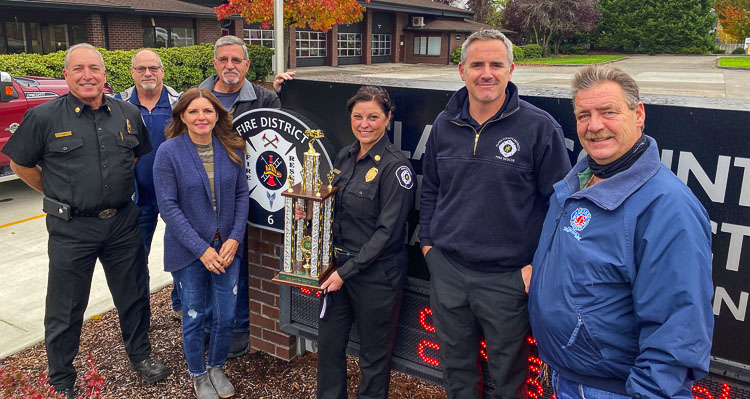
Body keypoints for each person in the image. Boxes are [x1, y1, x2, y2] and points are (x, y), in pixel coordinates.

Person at [528, 64, 714, 398]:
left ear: (638, 114)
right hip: (564, 376)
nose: (594, 125)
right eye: (583, 115)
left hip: (613, 389)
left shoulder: (667, 207)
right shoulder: (577, 182)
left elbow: (676, 333)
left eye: (608, 112)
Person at [1, 43, 170, 398]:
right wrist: (59, 192)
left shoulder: (127, 113)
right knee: (65, 306)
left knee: (134, 295)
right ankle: (61, 378)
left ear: (105, 75)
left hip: (123, 222)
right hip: (72, 228)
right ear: (66, 75)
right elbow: (19, 163)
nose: (87, 75)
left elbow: (137, 157)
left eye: (94, 68)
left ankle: (140, 356)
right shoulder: (44, 117)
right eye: (78, 69)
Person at [419, 29, 571, 398]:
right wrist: (428, 247)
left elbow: (563, 206)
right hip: (449, 272)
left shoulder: (539, 128)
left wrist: (537, 267)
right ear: (461, 71)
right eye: (477, 65)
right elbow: (431, 190)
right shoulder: (444, 124)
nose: (486, 73)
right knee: (457, 373)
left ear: (510, 69)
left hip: (507, 280)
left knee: (509, 379)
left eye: (495, 64)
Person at [297, 86, 415, 399]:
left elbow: (387, 234)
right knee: (329, 348)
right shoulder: (345, 156)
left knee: (374, 359)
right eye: (358, 116)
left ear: (388, 118)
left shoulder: (396, 168)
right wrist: (310, 212)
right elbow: (335, 210)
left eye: (373, 116)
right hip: (337, 270)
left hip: (376, 275)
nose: (364, 123)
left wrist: (345, 272)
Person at [196, 34, 294, 358]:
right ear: (214, 63)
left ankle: (238, 326)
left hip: (245, 194)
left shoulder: (265, 98)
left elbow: (279, 138)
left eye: (236, 60)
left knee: (237, 261)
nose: (230, 66)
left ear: (247, 65)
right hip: (204, 195)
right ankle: (208, 325)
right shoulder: (197, 97)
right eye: (223, 60)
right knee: (205, 260)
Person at [153, 88, 249, 399]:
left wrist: (234, 237)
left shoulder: (231, 147)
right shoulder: (169, 153)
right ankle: (198, 374)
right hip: (188, 250)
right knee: (194, 315)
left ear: (217, 114)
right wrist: (201, 249)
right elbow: (168, 207)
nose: (201, 117)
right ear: (182, 116)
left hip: (227, 249)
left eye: (207, 111)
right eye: (193, 111)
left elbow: (240, 195)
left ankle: (217, 366)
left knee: (225, 314)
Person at [115, 48, 182, 316]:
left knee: (181, 255)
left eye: (153, 68)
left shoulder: (180, 103)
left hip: (176, 198)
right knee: (135, 260)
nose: (147, 73)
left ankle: (180, 303)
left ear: (162, 71)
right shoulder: (118, 105)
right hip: (136, 199)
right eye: (141, 69)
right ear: (132, 72)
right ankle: (140, 314)